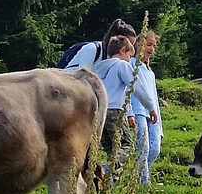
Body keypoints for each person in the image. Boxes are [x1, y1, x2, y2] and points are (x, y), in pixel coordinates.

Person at [81, 35, 157, 173]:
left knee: (112, 150)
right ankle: (106, 169)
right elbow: (136, 86)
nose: (129, 59)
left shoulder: (98, 67)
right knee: (126, 145)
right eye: (129, 55)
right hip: (115, 111)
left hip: (98, 112)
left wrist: (130, 113)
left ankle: (107, 183)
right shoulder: (122, 65)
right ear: (123, 50)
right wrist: (151, 107)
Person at [126, 30, 162, 185]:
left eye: (154, 46)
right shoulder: (130, 65)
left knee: (155, 149)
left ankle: (138, 177)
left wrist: (159, 124)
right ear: (139, 44)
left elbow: (153, 96)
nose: (151, 49)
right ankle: (143, 184)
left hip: (152, 114)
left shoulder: (150, 72)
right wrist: (130, 112)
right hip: (138, 111)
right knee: (143, 148)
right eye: (149, 44)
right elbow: (127, 89)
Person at [63, 19, 137, 71]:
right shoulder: (93, 49)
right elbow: (83, 76)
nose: (130, 49)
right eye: (129, 45)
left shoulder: (112, 60)